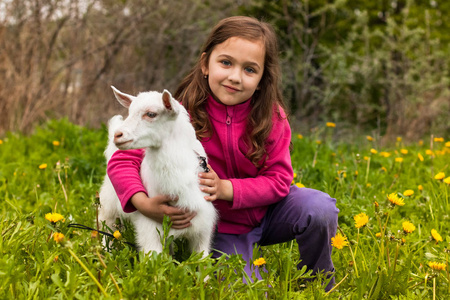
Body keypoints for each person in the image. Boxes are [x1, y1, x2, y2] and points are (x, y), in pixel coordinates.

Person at [107, 16, 339, 291]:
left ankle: (319, 283)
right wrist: (142, 203)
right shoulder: (179, 115)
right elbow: (124, 158)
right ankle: (236, 263)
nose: (235, 77)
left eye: (250, 69)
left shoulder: (272, 117)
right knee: (245, 290)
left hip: (270, 212)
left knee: (319, 209)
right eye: (226, 62)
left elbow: (279, 181)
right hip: (224, 226)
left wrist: (227, 188)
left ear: (263, 78)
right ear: (205, 64)